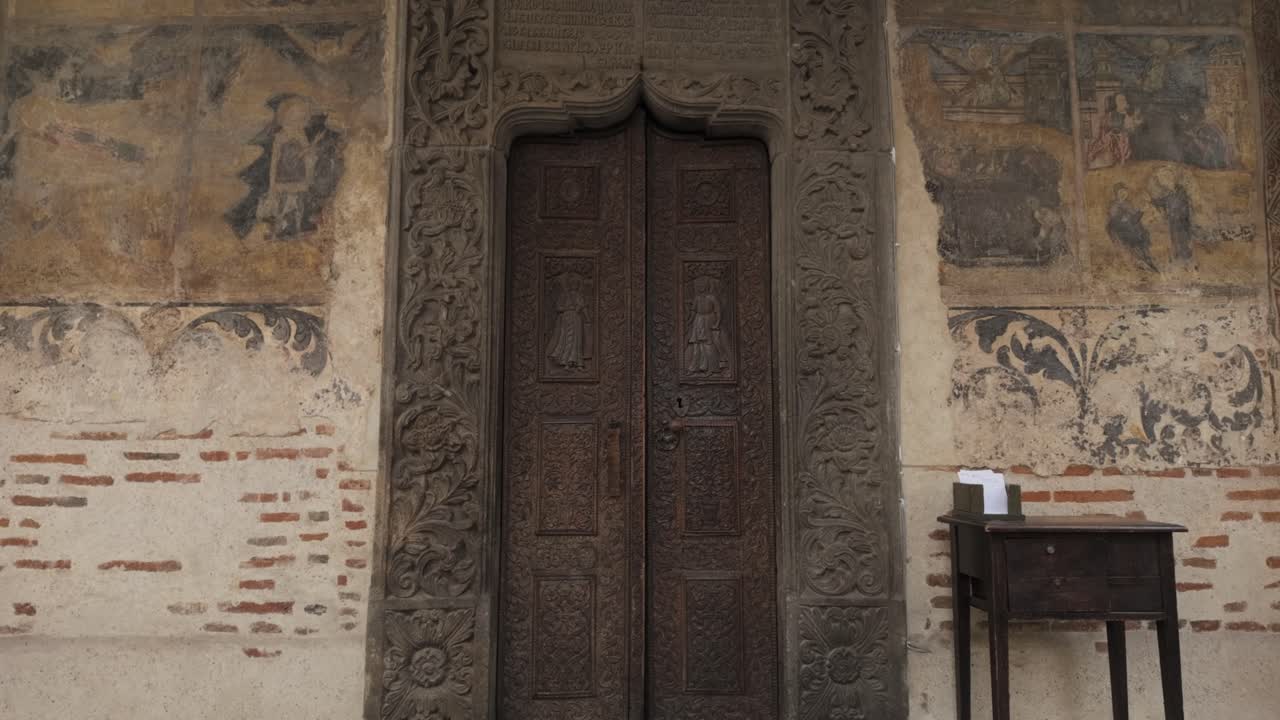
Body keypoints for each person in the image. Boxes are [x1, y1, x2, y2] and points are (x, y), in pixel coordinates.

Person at [1106, 183, 1157, 272]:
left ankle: (1147, 259)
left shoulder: (1128, 203)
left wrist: (1141, 211)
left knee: (1143, 234)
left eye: (1125, 191)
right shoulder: (1114, 205)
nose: (1123, 194)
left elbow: (1133, 218)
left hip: (1131, 227)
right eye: (1121, 192)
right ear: (1116, 193)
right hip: (1120, 230)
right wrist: (1140, 212)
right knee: (1135, 238)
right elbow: (1119, 220)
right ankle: (1142, 261)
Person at [1148, 167, 1194, 263]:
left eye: (1163, 180)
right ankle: (1178, 254)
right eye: (1161, 182)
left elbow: (1184, 205)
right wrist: (1152, 201)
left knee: (1183, 238)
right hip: (1173, 220)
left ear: (1170, 178)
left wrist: (1177, 213)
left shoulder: (1181, 190)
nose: (1162, 184)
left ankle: (1185, 255)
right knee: (1174, 238)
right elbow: (1162, 201)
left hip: (1182, 220)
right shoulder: (1169, 193)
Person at [1087, 93, 1141, 168]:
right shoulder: (1110, 115)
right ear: (1116, 103)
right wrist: (1109, 132)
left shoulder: (1127, 116)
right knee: (1105, 140)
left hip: (1122, 138)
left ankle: (1121, 160)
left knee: (1121, 139)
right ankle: (1095, 158)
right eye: (1119, 101)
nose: (1122, 102)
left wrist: (1126, 129)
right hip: (1109, 137)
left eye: (1123, 100)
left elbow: (1130, 129)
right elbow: (1104, 127)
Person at [546, 273, 588, 370]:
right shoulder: (564, 295)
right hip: (567, 317)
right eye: (573, 284)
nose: (575, 286)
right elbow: (558, 307)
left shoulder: (579, 295)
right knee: (567, 338)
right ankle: (566, 361)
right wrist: (567, 308)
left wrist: (578, 308)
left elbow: (582, 306)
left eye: (576, 284)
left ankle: (578, 362)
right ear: (570, 285)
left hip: (577, 318)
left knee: (577, 339)